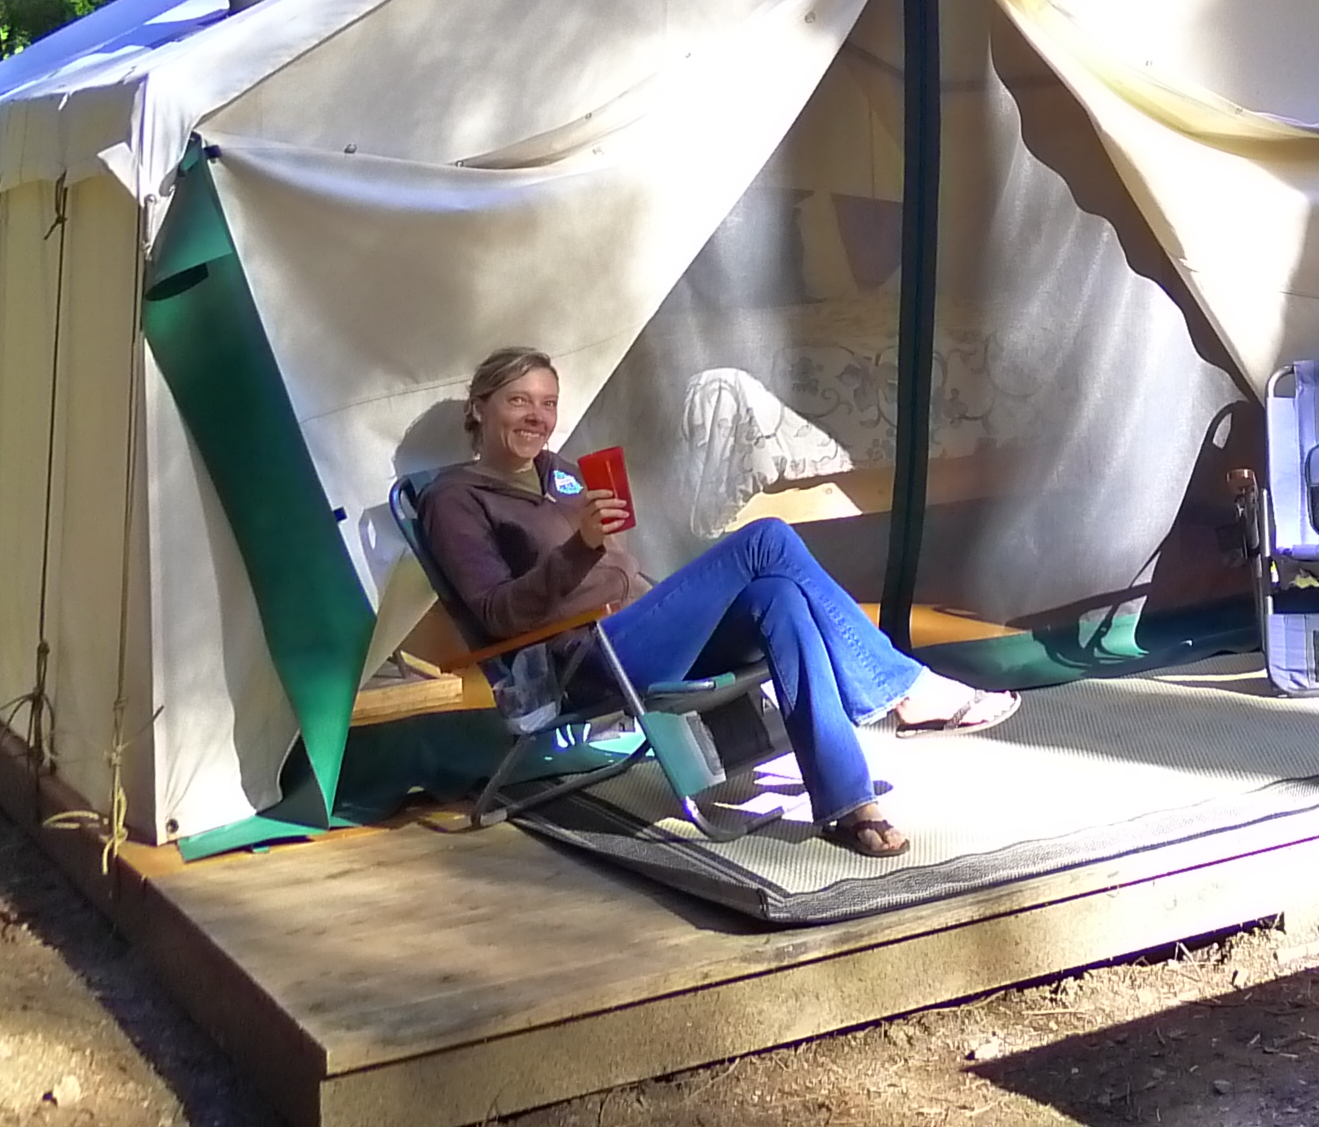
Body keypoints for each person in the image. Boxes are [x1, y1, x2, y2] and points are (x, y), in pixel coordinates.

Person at [417, 346, 1017, 857]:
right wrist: (581, 547)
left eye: (548, 403)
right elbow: (498, 615)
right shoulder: (456, 499)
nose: (538, 416)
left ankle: (848, 800)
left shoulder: (563, 474)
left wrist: (624, 563)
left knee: (780, 597)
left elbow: (616, 565)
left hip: (642, 629)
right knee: (766, 540)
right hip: (584, 660)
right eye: (518, 400)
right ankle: (905, 690)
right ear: (479, 408)